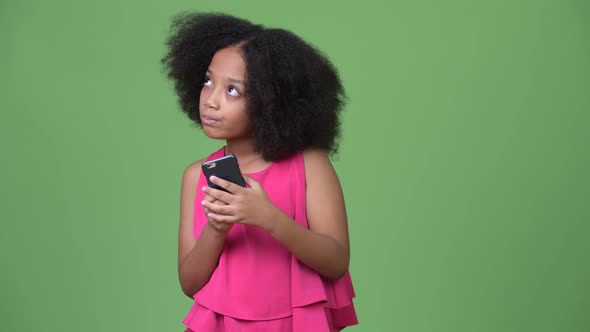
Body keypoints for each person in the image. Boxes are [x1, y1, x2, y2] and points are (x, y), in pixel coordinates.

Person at [161, 12, 358, 332]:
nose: (210, 100)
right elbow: (190, 282)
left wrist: (269, 217)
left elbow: (336, 262)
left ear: (271, 101)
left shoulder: (309, 166)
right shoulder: (196, 176)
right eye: (208, 80)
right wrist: (217, 227)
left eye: (232, 91)